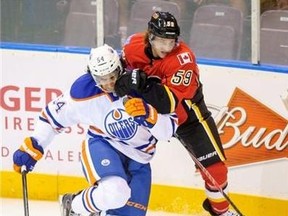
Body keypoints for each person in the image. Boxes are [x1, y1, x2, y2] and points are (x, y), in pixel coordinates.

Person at [12, 44, 178, 216]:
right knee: (116, 193)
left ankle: (95, 209)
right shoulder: (83, 91)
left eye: (112, 76)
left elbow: (168, 131)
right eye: (101, 79)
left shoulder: (144, 85)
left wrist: (150, 115)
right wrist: (35, 144)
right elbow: (52, 117)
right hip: (103, 144)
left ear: (120, 68)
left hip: (140, 157)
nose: (108, 84)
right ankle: (74, 206)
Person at [114, 11, 239, 216]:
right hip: (145, 114)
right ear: (150, 37)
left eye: (171, 41)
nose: (166, 47)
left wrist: (141, 83)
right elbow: (117, 77)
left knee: (216, 171)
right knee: (119, 150)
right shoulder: (132, 46)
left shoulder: (183, 59)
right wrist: (124, 81)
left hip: (188, 117)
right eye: (161, 41)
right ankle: (103, 200)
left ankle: (221, 212)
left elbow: (168, 104)